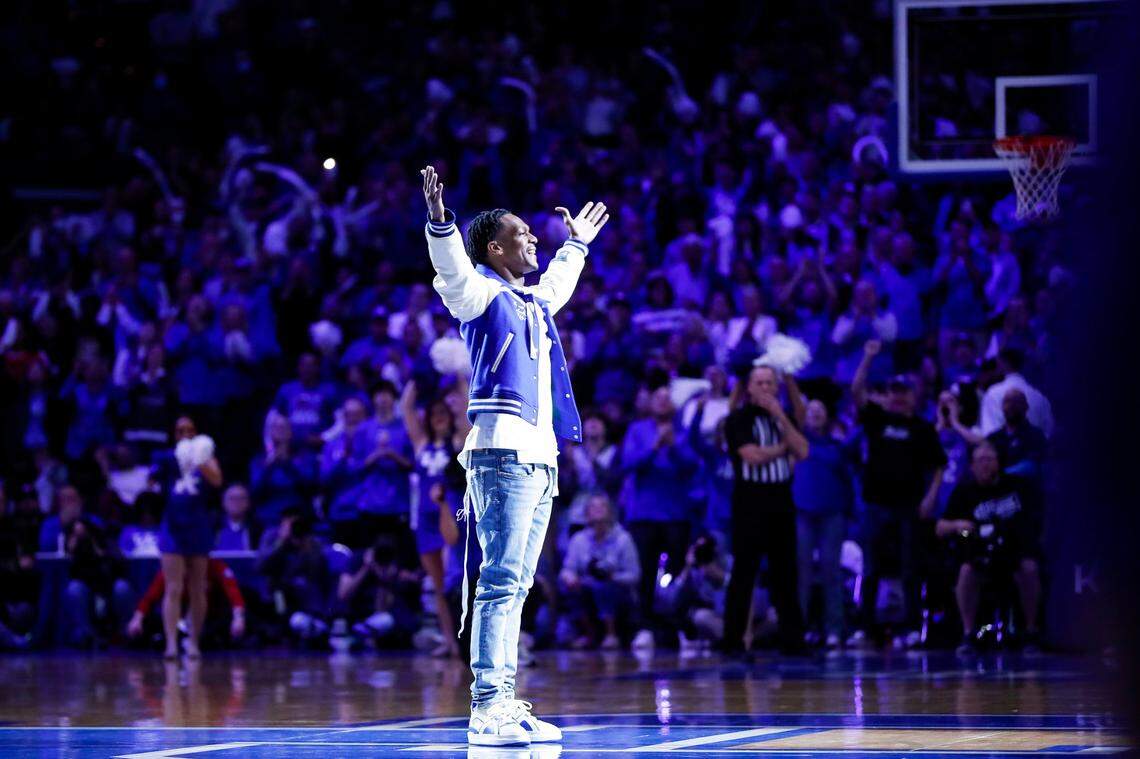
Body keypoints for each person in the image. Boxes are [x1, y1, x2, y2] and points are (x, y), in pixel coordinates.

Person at [421, 165, 608, 747]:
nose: (534, 239)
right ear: (495, 247)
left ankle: (503, 697)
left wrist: (576, 245)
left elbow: (558, 285)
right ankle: (485, 708)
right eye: (523, 233)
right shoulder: (480, 295)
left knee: (518, 583)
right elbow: (451, 273)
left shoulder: (530, 298)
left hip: (538, 456)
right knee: (499, 581)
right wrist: (440, 223)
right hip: (501, 456)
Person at [851, 340, 946, 646]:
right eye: (894, 392)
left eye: (903, 393)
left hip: (908, 505)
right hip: (877, 503)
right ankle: (867, 628)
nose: (898, 398)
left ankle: (911, 628)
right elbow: (856, 391)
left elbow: (938, 465)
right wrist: (867, 357)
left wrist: (930, 498)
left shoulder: (922, 428)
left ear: (913, 397)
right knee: (871, 567)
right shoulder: (878, 419)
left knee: (909, 567)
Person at [721, 365, 810, 658]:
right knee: (743, 573)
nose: (765, 388)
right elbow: (753, 456)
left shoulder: (784, 419)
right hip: (749, 501)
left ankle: (793, 640)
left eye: (770, 383)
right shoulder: (737, 419)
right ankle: (733, 641)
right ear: (749, 387)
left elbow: (804, 451)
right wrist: (784, 448)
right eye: (759, 382)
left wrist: (782, 418)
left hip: (781, 500)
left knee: (786, 572)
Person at [936, 441, 1043, 654]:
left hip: (1013, 550)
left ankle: (1031, 631)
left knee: (1029, 568)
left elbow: (1034, 518)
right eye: (980, 460)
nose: (985, 465)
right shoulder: (964, 491)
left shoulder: (1016, 486)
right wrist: (959, 524)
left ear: (999, 462)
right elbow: (939, 528)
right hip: (979, 553)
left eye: (989, 459)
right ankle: (969, 634)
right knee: (966, 571)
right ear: (972, 465)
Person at [620, 385, 701, 650]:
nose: (663, 402)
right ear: (651, 403)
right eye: (659, 397)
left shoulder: (683, 432)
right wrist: (655, 447)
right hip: (644, 513)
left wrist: (673, 447)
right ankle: (644, 628)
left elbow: (691, 467)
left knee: (677, 574)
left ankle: (677, 626)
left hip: (676, 513)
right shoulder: (637, 430)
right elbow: (629, 463)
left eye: (668, 398)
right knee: (644, 573)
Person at [400, 379, 469, 658]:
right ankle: (450, 641)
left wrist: (458, 375)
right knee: (438, 585)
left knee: (453, 580)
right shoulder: (422, 444)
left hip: (448, 515)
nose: (439, 418)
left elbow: (466, 408)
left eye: (444, 414)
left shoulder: (457, 441)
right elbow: (405, 408)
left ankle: (461, 640)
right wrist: (419, 377)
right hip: (424, 521)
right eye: (434, 415)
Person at [152, 416, 223, 659]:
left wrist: (198, 459)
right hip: (173, 525)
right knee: (173, 586)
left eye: (189, 430)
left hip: (198, 526)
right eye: (180, 430)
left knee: (198, 587)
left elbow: (217, 480)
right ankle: (171, 643)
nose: (185, 434)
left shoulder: (206, 456)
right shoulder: (166, 457)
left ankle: (193, 642)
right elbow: (151, 481)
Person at [792, 399, 855, 649]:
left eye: (820, 409)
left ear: (828, 416)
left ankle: (834, 629)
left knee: (831, 571)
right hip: (803, 513)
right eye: (811, 410)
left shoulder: (838, 446)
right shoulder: (797, 442)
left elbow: (848, 480)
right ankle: (799, 629)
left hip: (832, 514)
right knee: (802, 573)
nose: (815, 413)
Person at [558, 493, 640, 649]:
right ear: (586, 514)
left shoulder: (623, 539)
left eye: (601, 506)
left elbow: (634, 575)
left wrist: (612, 576)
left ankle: (611, 635)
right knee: (574, 589)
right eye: (593, 507)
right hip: (588, 587)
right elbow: (567, 569)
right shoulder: (579, 539)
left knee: (604, 588)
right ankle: (589, 635)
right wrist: (570, 577)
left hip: (617, 590)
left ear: (610, 512)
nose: (597, 510)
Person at [126, 558, 246, 649]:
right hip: (178, 617)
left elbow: (233, 592)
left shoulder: (215, 565)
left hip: (209, 618)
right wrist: (137, 619)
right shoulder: (172, 567)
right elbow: (151, 596)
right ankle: (172, 644)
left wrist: (238, 618)